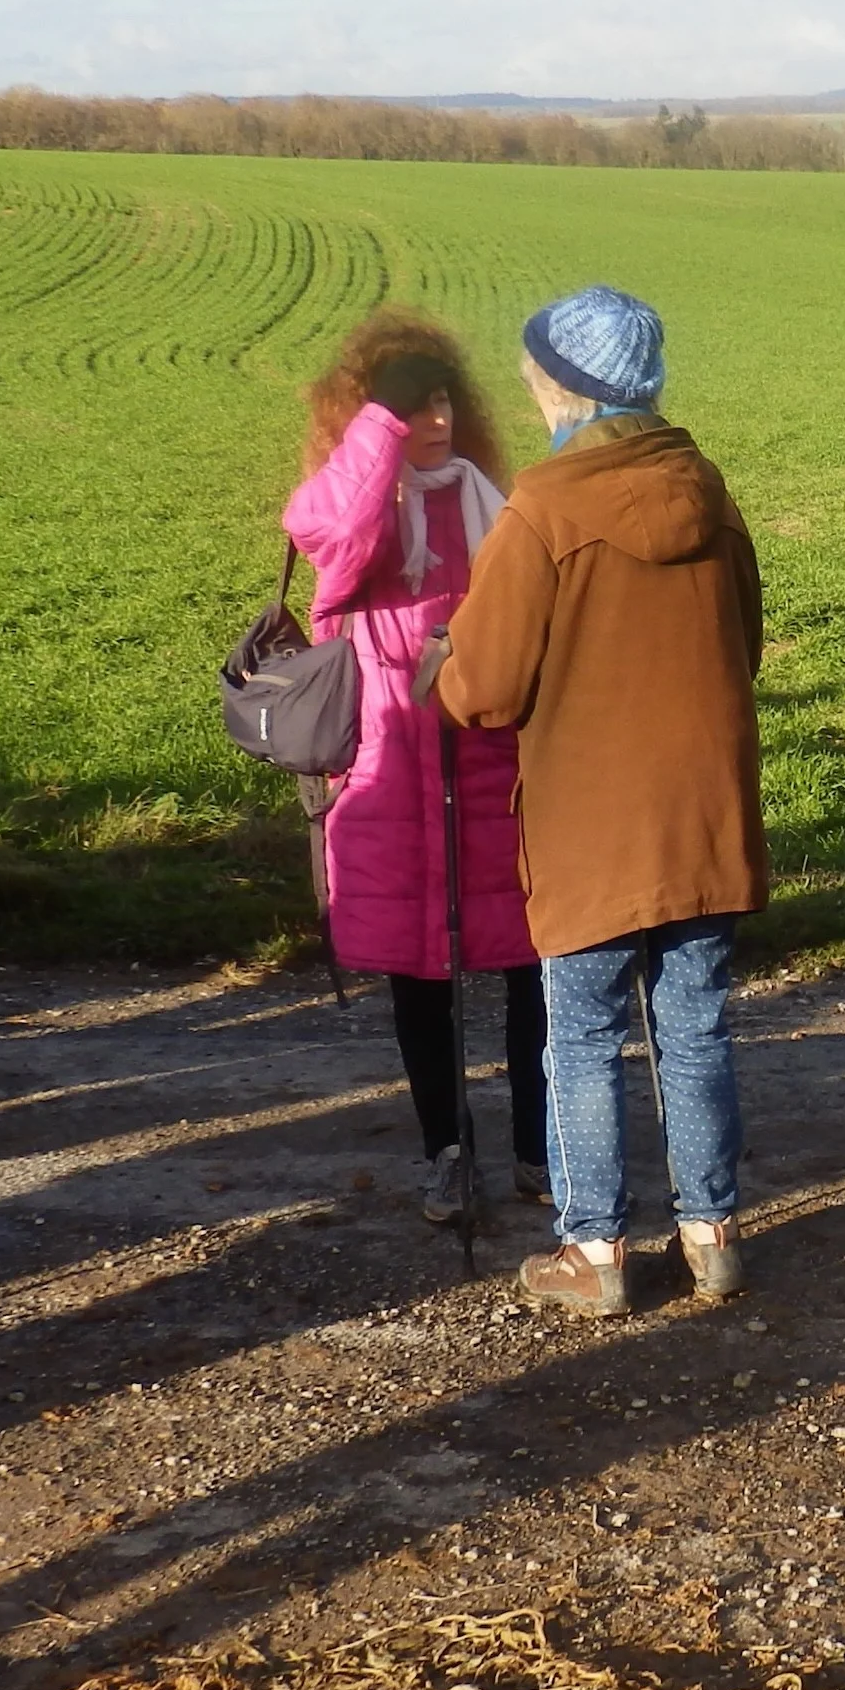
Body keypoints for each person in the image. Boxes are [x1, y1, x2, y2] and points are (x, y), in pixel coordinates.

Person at [437, 285, 766, 1313]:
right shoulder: (710, 494)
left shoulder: (542, 510)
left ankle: (597, 1253)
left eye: (537, 377)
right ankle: (711, 1235)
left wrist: (443, 667)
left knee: (579, 1035)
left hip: (588, 826)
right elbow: (743, 646)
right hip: (705, 815)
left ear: (565, 387)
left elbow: (483, 690)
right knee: (696, 1027)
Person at [282, 310, 540, 1225]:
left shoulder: (487, 497)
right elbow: (338, 541)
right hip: (390, 763)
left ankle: (537, 1151)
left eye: (439, 401)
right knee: (419, 981)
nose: (432, 420)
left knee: (527, 960)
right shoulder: (342, 500)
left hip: (489, 751)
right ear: (365, 415)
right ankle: (445, 1150)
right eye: (408, 405)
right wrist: (379, 434)